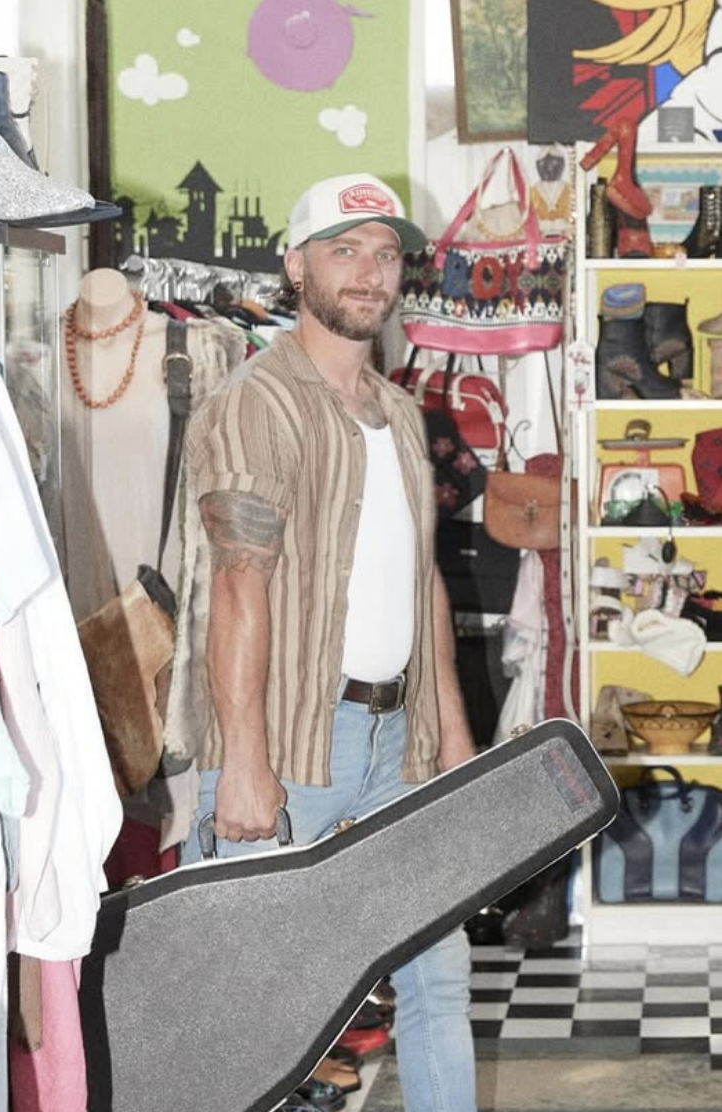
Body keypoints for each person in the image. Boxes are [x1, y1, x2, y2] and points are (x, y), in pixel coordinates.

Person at [179, 172, 478, 1111]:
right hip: (299, 739)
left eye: (384, 253)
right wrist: (243, 763)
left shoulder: (395, 412)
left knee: (439, 978)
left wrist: (456, 740)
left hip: (401, 741)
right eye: (344, 249)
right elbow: (239, 581)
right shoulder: (255, 401)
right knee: (249, 998)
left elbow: (424, 580)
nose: (368, 272)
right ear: (296, 264)